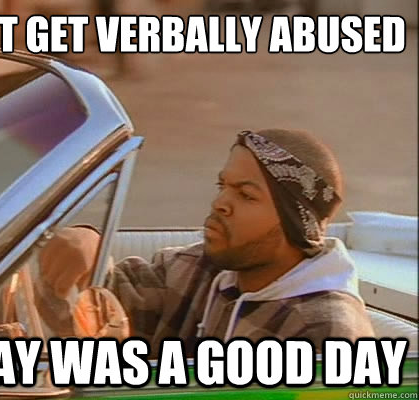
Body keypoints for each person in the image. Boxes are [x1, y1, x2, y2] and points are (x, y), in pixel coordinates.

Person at [37, 128, 374, 354]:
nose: (220, 203)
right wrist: (86, 244)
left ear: (294, 223)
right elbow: (102, 302)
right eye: (222, 186)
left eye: (246, 195)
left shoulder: (325, 330)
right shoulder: (198, 269)